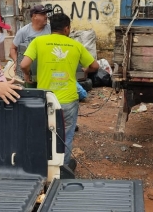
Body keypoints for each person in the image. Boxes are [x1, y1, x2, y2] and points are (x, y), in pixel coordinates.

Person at [20, 13, 99, 167]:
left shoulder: (38, 41)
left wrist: (27, 75)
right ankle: (63, 167)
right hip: (68, 99)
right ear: (66, 28)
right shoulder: (75, 45)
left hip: (46, 99)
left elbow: (23, 64)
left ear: (51, 27)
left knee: (45, 133)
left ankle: (44, 166)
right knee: (66, 135)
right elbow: (95, 66)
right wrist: (86, 69)